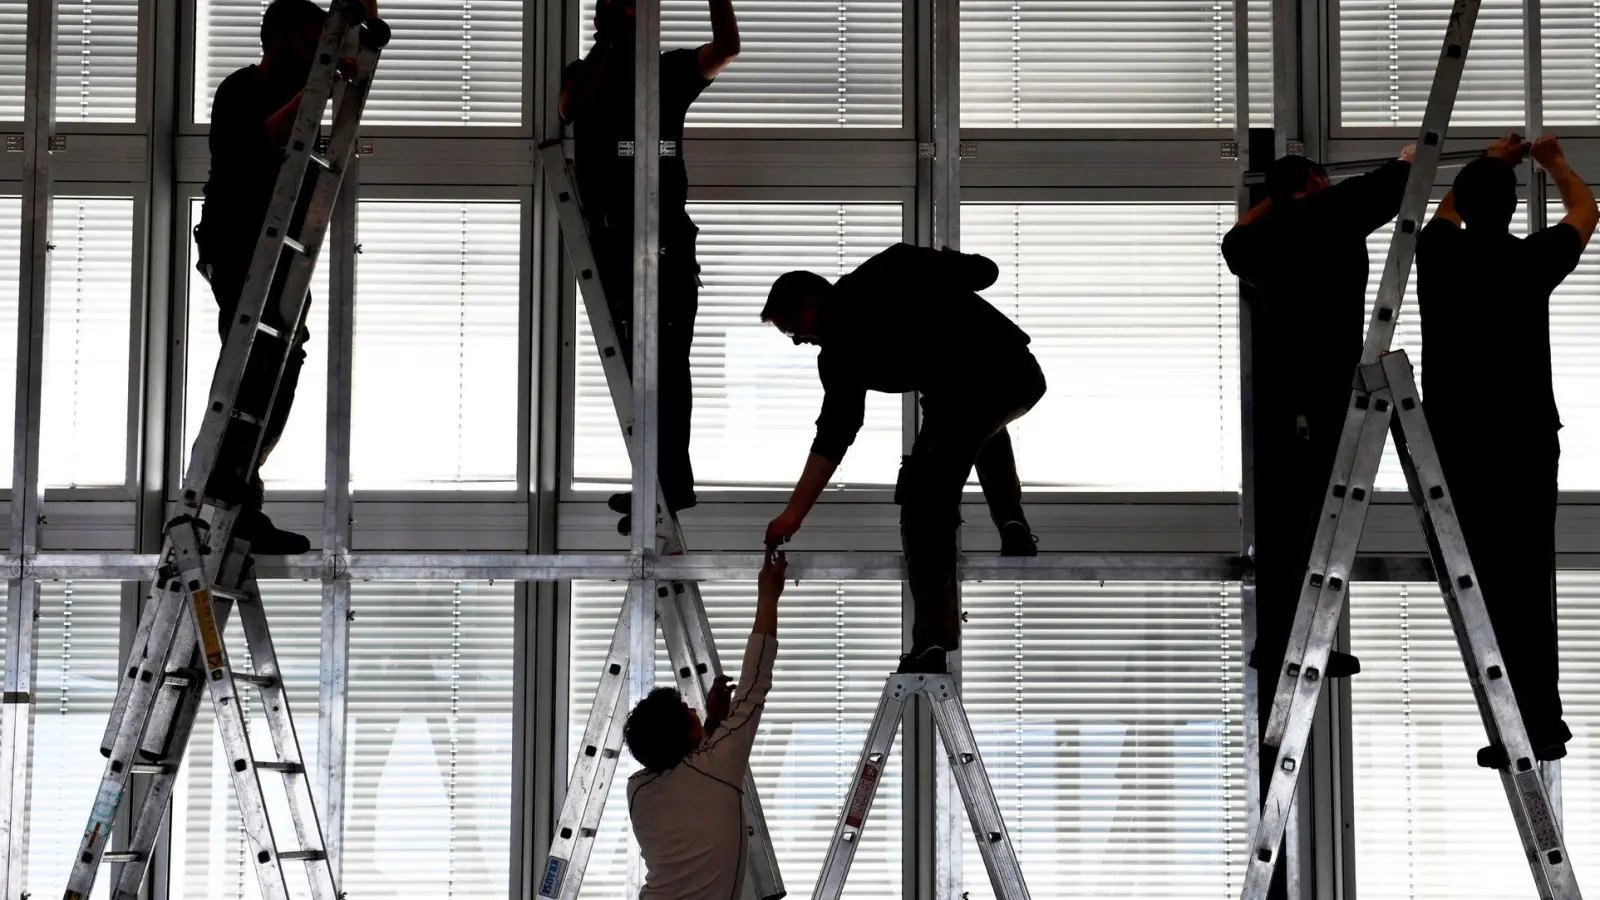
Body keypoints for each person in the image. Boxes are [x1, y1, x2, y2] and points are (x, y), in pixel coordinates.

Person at [759, 244, 1047, 675]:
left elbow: (985, 271)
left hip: (1004, 372)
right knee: (961, 430)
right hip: (969, 392)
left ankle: (932, 643)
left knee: (923, 497)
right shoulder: (838, 357)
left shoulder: (890, 269)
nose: (798, 340)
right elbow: (835, 434)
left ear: (813, 301)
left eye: (792, 328)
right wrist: (793, 513)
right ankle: (1012, 524)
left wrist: (953, 262)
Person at [1416, 133, 1597, 767]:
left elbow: (1442, 213)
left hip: (1456, 443)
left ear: (1463, 202)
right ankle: (1539, 725)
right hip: (1523, 443)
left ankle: (1517, 726)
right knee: (1525, 579)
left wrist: (1494, 159)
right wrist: (1554, 164)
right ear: (1516, 209)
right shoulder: (1531, 260)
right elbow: (1586, 211)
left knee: (1481, 582)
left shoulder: (1437, 254)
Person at [1222, 143, 1417, 690]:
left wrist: (1275, 201)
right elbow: (1392, 181)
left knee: (1290, 520)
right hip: (1327, 387)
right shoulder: (1332, 212)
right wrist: (1406, 156)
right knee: (1322, 519)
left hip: (1283, 392)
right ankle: (1305, 643)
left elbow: (1234, 238)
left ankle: (1280, 644)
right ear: (1316, 179)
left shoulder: (1258, 240)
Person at [194, 0, 374, 554]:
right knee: (250, 368)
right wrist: (318, 86)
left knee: (280, 364)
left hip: (281, 255)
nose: (316, 56)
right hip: (241, 247)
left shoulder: (298, 91)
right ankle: (226, 498)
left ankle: (241, 492)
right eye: (309, 45)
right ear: (277, 42)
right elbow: (265, 141)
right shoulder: (240, 90)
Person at [560, 0, 741, 533]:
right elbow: (568, 107)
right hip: (614, 245)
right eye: (605, 9)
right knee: (640, 371)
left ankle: (668, 483)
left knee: (664, 365)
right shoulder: (588, 75)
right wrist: (614, 48)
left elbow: (727, 49)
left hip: (664, 246)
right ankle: (654, 481)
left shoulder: (668, 70)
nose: (605, 15)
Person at [625, 549, 785, 899]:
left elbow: (694, 778)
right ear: (684, 733)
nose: (694, 709)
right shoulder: (714, 766)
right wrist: (768, 595)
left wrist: (712, 722)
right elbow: (754, 683)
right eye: (689, 711)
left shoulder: (636, 789)